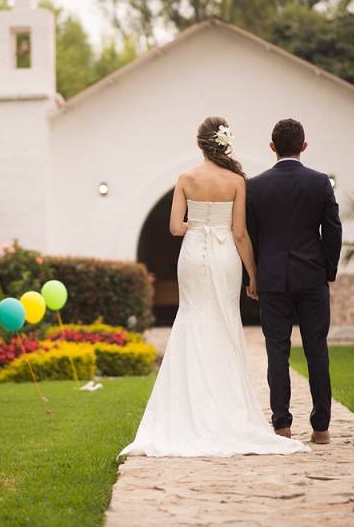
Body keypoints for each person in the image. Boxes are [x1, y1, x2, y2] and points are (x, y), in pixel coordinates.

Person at [118, 117, 310, 457]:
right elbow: (240, 234)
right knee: (223, 320)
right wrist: (253, 274)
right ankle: (225, 406)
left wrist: (198, 224)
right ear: (225, 144)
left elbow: (175, 228)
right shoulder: (237, 180)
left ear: (200, 144)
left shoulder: (185, 179)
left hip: (192, 254)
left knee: (191, 318)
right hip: (225, 255)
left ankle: (189, 406)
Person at [246, 118, 342, 444]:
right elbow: (333, 230)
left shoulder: (255, 186)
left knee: (277, 352)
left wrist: (256, 274)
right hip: (312, 277)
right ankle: (321, 427)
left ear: (272, 147)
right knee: (317, 350)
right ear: (304, 145)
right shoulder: (319, 183)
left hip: (272, 279)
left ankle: (281, 426)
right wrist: (328, 271)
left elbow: (252, 236)